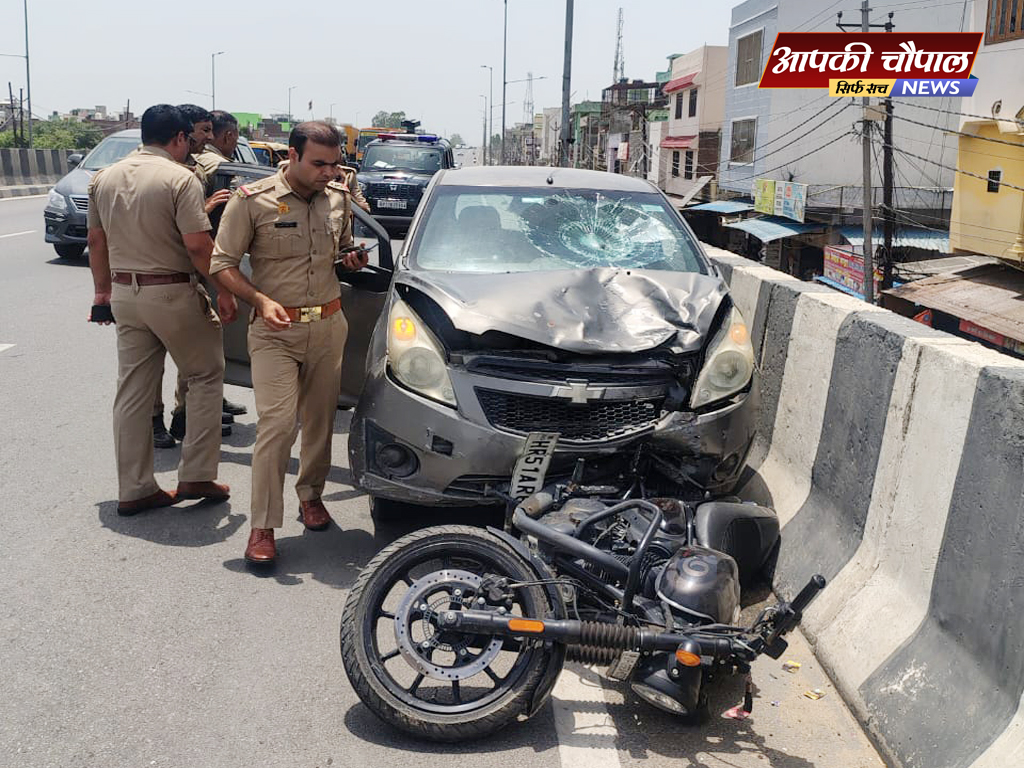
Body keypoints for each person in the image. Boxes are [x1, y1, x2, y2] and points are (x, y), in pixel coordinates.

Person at [211, 121, 367, 564]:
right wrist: (258, 299)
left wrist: (351, 260)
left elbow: (340, 255)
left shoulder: (338, 199)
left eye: (335, 163)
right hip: (275, 331)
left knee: (319, 423)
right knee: (277, 425)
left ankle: (311, 496)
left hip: (329, 326)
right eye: (319, 163)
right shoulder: (252, 200)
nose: (328, 171)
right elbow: (222, 264)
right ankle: (262, 526)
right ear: (293, 156)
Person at [87, 104, 236, 515]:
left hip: (124, 294)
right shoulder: (180, 178)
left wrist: (101, 296)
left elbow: (96, 243)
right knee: (205, 374)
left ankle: (134, 489)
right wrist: (224, 289)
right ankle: (197, 475)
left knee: (132, 392)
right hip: (172, 293)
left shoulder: (105, 177)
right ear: (178, 138)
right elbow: (197, 245)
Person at [151, 104, 238, 449]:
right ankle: (157, 421)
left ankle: (185, 416)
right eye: (201, 131)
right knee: (154, 359)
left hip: (189, 275)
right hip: (166, 275)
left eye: (208, 130)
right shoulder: (168, 174)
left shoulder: (194, 169)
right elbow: (177, 230)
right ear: (182, 134)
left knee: (197, 355)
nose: (207, 137)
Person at [194, 110, 240, 179]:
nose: (236, 144)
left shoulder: (189, 157)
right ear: (228, 137)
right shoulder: (225, 168)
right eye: (236, 140)